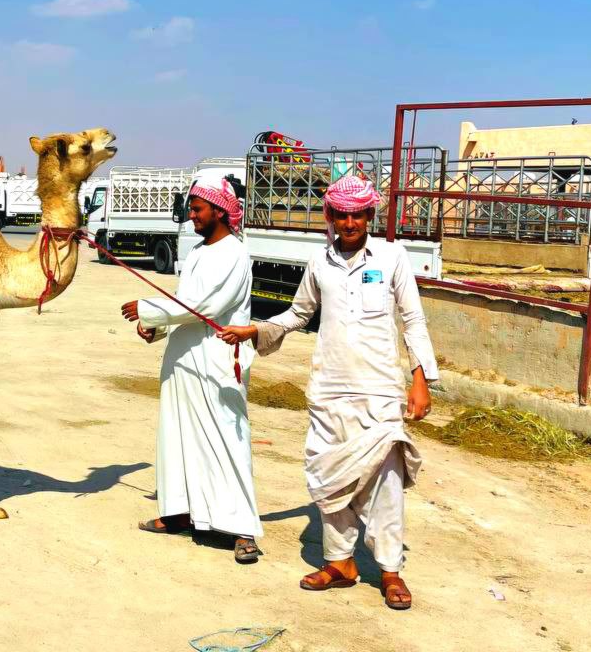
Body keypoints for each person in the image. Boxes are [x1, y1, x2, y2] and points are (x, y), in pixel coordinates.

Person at [218, 174, 439, 609]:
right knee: (328, 480)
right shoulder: (319, 263)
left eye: (358, 214)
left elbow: (413, 321)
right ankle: (341, 563)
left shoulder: (393, 258)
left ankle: (391, 571)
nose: (350, 221)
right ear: (332, 217)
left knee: (385, 484)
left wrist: (420, 379)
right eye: (342, 214)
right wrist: (255, 329)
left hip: (379, 392)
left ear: (370, 215)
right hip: (329, 389)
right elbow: (299, 313)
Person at [120, 175, 263, 564]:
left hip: (216, 363)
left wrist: (148, 308)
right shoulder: (199, 252)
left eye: (198, 209)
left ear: (219, 210)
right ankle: (179, 513)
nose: (192, 216)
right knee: (176, 437)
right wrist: (157, 328)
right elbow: (184, 301)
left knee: (226, 441)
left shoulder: (235, 254)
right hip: (182, 360)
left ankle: (242, 529)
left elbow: (206, 307)